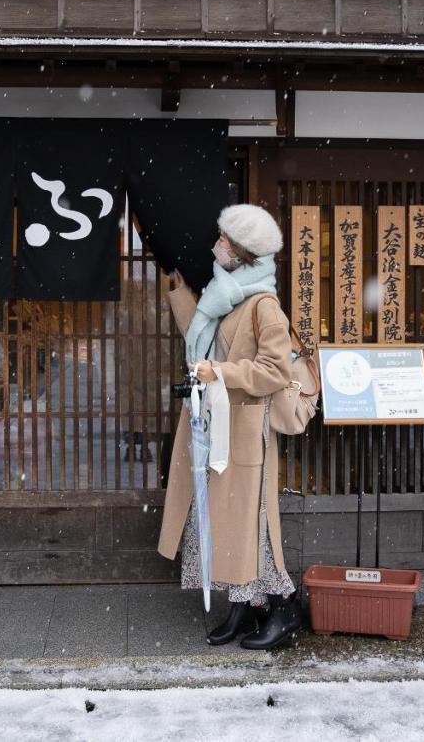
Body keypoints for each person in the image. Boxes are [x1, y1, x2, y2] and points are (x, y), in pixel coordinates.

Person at [156, 204, 303, 650]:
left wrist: (220, 373)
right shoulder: (226, 293)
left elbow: (274, 371)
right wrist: (178, 291)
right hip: (215, 424)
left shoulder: (264, 305)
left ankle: (283, 610)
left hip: (244, 431)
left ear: (242, 253)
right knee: (220, 523)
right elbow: (203, 338)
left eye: (224, 240)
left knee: (252, 527)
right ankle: (242, 607)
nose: (217, 245)